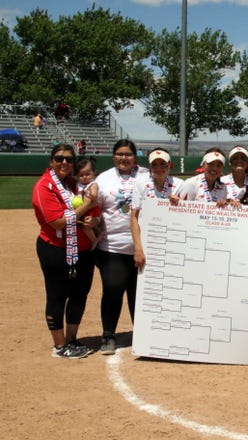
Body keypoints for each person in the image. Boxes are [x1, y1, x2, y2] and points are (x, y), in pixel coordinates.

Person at [32, 144, 98, 358]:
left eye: (69, 159)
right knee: (57, 296)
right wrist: (87, 205)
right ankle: (60, 346)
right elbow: (57, 222)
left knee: (79, 294)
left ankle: (72, 339)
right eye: (59, 158)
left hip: (82, 250)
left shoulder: (73, 183)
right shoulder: (44, 186)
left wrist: (92, 218)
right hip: (56, 249)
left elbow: (85, 214)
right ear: (51, 161)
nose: (64, 163)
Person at [95, 139, 150, 355]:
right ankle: (108, 335)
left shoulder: (146, 175)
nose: (123, 158)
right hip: (113, 247)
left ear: (135, 156)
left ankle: (143, 335)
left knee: (140, 294)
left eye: (128, 154)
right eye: (119, 154)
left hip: (144, 247)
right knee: (113, 290)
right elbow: (93, 206)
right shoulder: (104, 178)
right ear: (113, 156)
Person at [131, 148, 183, 271]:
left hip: (173, 243)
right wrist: (138, 249)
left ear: (170, 165)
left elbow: (188, 216)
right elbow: (134, 217)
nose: (159, 168)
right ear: (150, 167)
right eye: (154, 165)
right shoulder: (140, 183)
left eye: (163, 164)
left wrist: (179, 205)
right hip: (147, 243)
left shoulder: (180, 184)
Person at [74, 157, 101, 248]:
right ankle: (99, 233)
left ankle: (94, 240)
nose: (84, 177)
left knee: (85, 226)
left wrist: (90, 194)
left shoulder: (93, 184)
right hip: (85, 208)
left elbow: (95, 195)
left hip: (92, 209)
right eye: (81, 175)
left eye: (88, 174)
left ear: (93, 173)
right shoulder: (78, 184)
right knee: (88, 224)